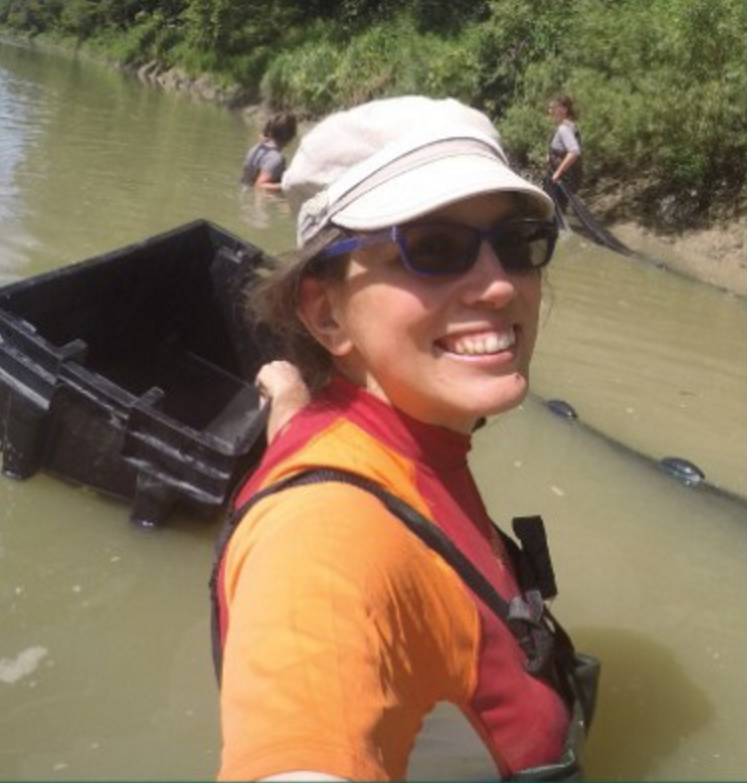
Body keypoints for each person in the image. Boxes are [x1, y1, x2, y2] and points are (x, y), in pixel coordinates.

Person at [212, 95, 598, 781]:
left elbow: (300, 416)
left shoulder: (380, 432)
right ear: (325, 312)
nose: (500, 286)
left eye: (516, 245)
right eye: (434, 248)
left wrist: (290, 396)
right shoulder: (322, 540)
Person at [240, 111, 298, 191]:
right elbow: (259, 186)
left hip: (244, 194)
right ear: (291, 137)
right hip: (258, 200)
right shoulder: (276, 158)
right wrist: (286, 185)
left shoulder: (255, 148)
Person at [545, 94, 583, 212]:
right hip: (567, 180)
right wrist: (550, 156)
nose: (550, 111)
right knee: (558, 213)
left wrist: (558, 172)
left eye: (553, 108)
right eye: (550, 108)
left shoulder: (564, 129)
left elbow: (574, 151)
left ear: (564, 110)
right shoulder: (570, 126)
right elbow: (562, 150)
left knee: (553, 213)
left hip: (561, 181)